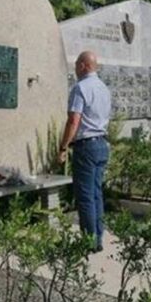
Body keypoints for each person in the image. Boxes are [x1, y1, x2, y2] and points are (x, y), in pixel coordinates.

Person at [58, 51, 111, 253]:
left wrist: (63, 147)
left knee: (86, 196)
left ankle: (89, 241)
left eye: (76, 65)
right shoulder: (104, 89)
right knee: (97, 194)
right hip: (101, 144)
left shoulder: (80, 88)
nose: (75, 69)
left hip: (86, 146)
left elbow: (74, 121)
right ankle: (98, 237)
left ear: (83, 65)